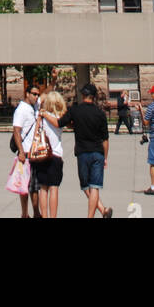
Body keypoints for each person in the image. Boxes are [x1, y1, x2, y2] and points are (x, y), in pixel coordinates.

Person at [59, 83, 112, 219]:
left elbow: (61, 122)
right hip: (97, 152)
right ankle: (100, 211)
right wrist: (105, 157)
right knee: (95, 186)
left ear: (83, 95)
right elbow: (105, 139)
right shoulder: (100, 113)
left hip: (82, 152)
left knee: (85, 186)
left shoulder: (75, 110)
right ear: (94, 97)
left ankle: (99, 211)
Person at [11, 83, 42, 219]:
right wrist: (21, 152)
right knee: (24, 186)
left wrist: (53, 81)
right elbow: (16, 131)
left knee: (34, 186)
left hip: (35, 153)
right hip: (25, 153)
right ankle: (24, 213)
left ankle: (36, 213)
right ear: (27, 94)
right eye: (34, 94)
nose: (36, 97)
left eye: (37, 94)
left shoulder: (34, 106)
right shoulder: (21, 110)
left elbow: (46, 93)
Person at [34, 92, 66, 219]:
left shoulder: (40, 115)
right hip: (56, 154)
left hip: (42, 154)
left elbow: (36, 132)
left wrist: (42, 114)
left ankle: (44, 216)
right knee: (54, 188)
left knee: (43, 188)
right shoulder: (60, 117)